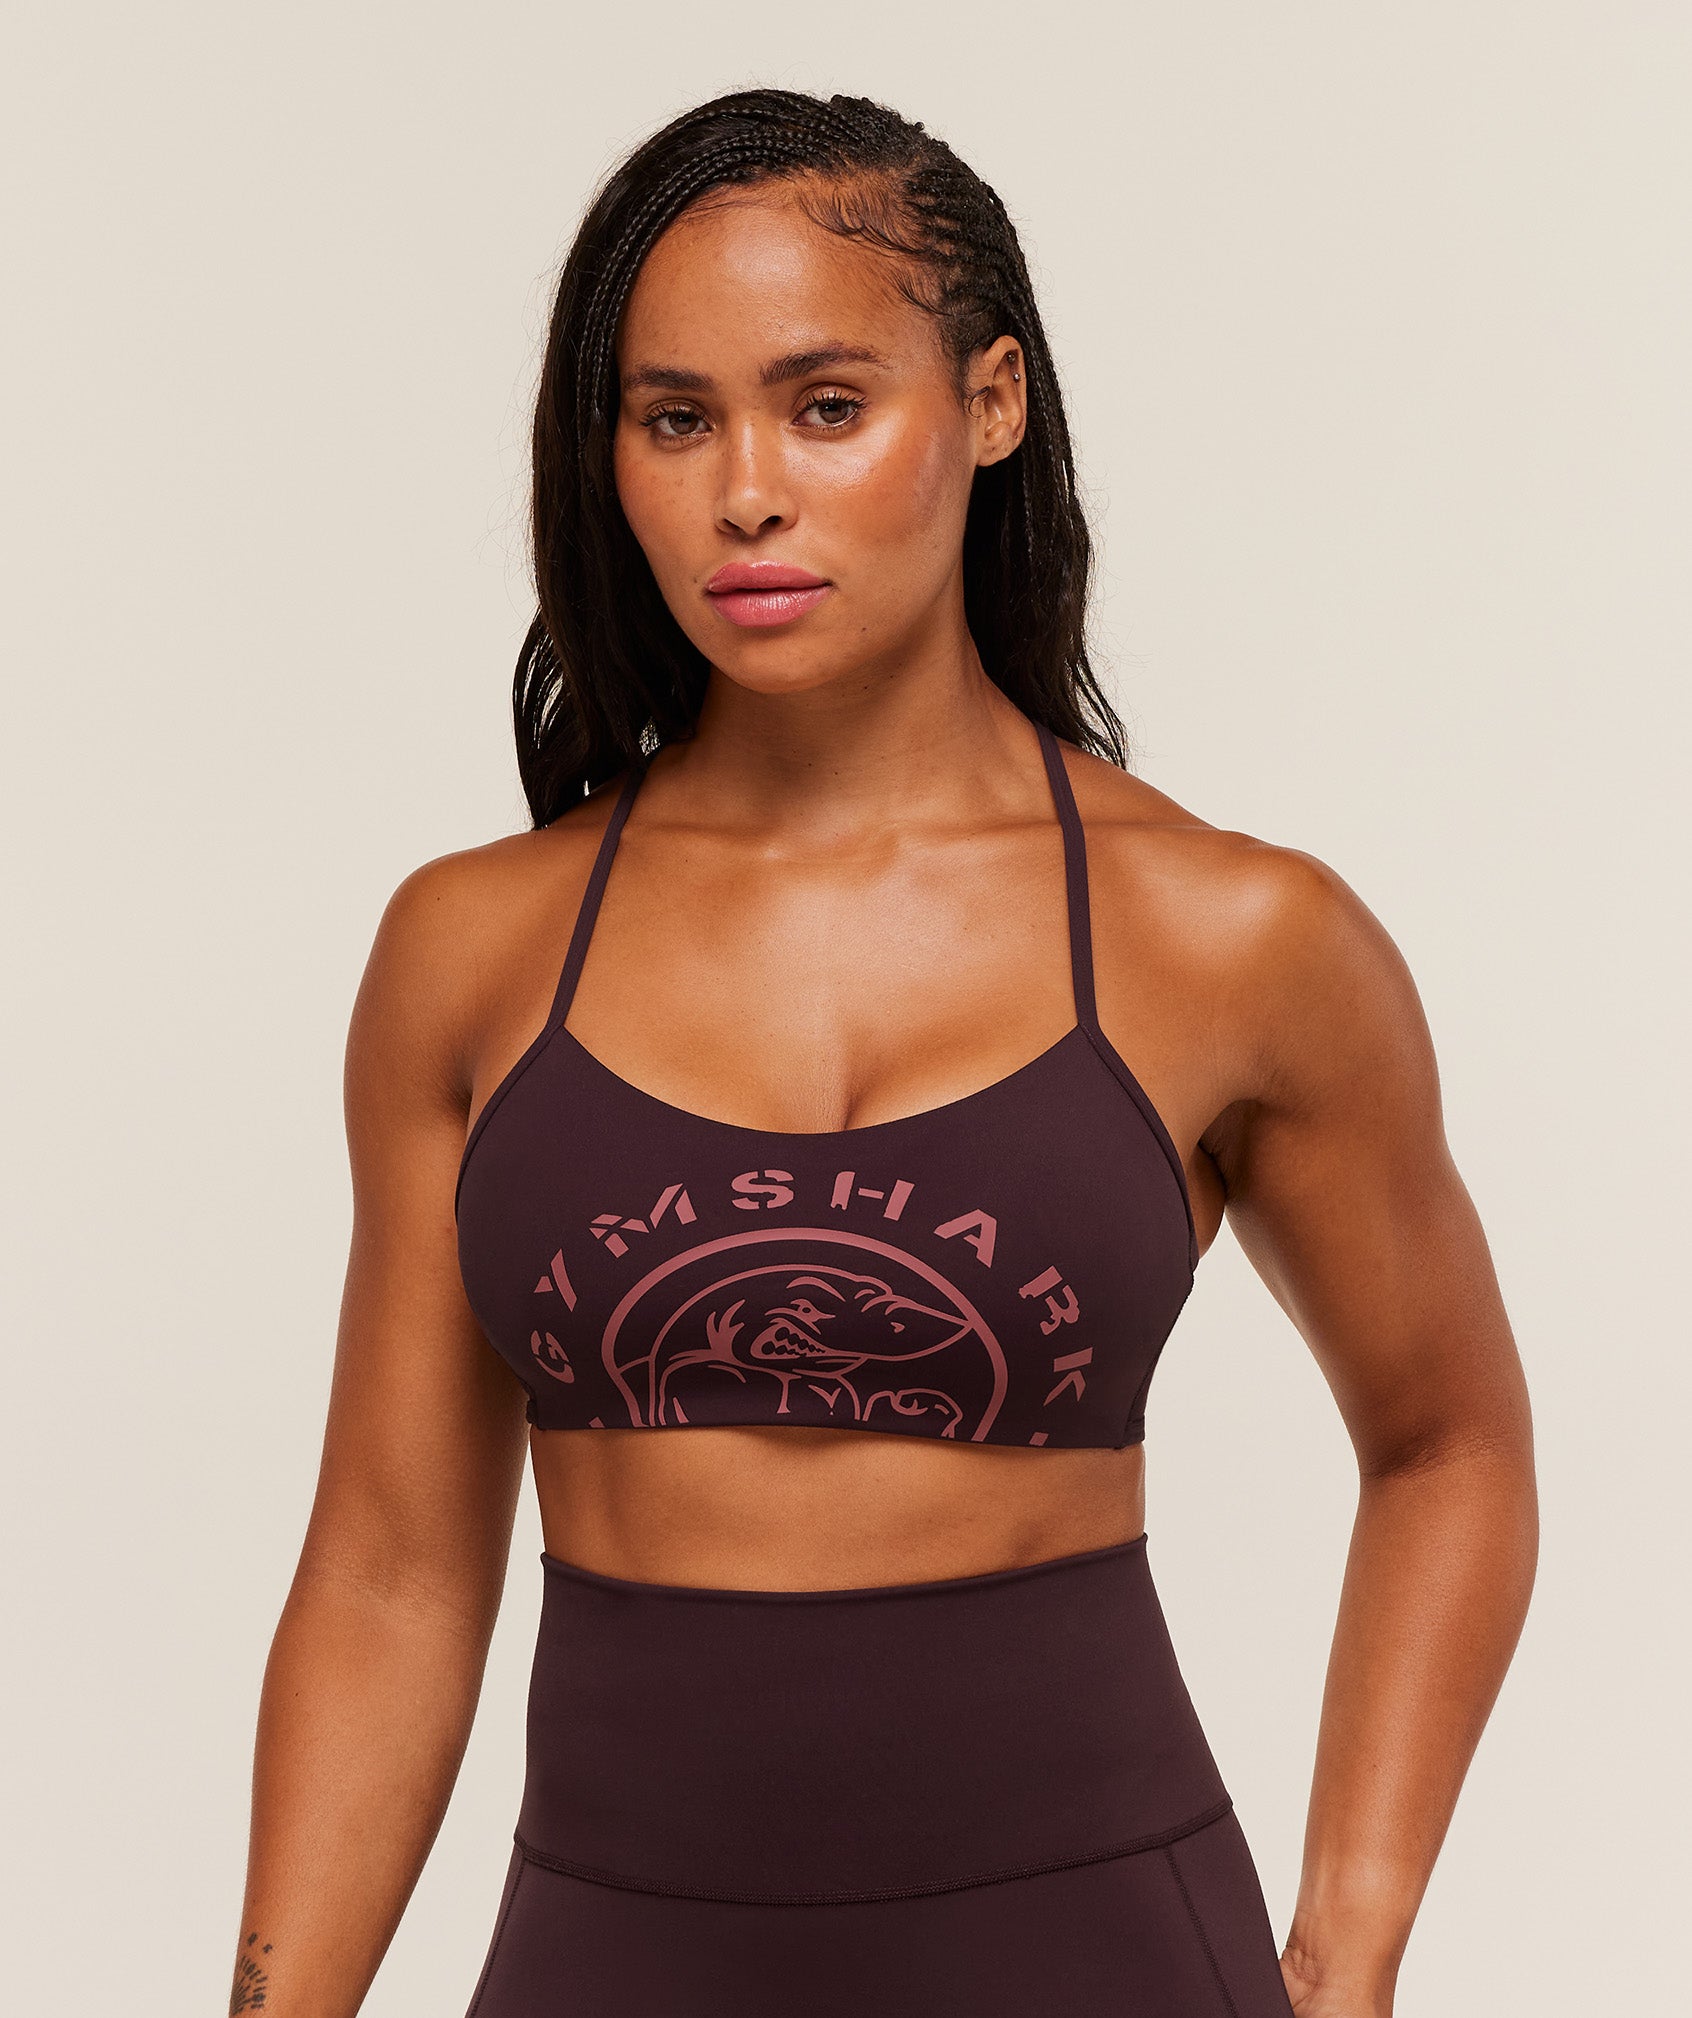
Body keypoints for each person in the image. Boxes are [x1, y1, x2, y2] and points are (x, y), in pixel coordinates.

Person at [231, 89, 1538, 2018]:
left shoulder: (1237, 936)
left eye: (826, 406)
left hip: (1101, 1958)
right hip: (614, 1959)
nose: (746, 493)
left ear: (991, 403)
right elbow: (393, 1570)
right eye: (677, 419)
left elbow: (1451, 1444)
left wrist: (1346, 1955)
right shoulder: (472, 952)